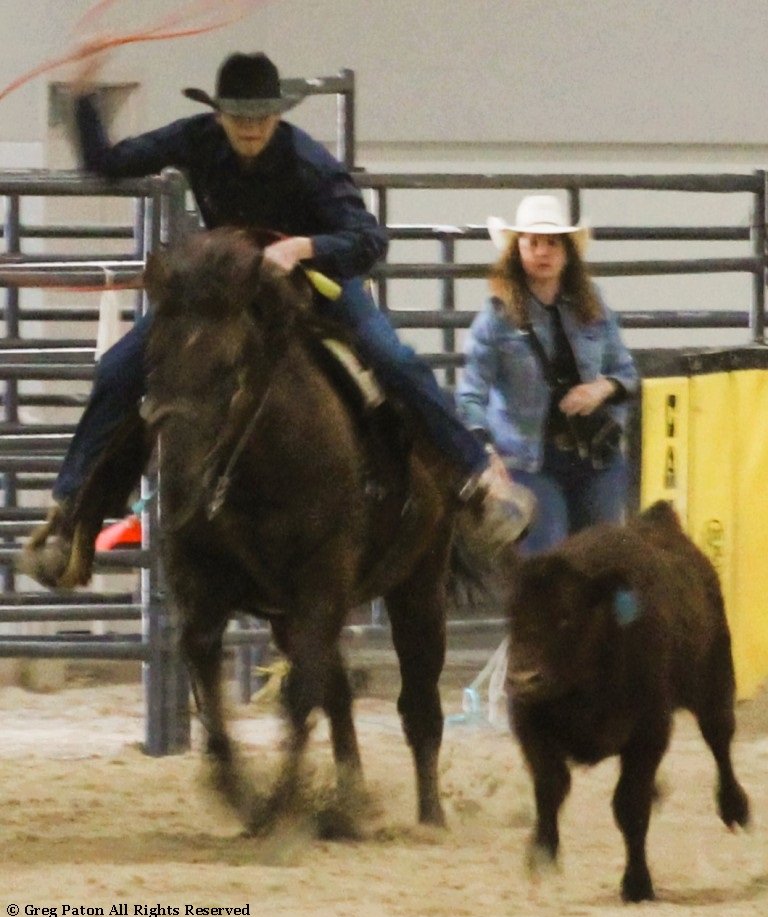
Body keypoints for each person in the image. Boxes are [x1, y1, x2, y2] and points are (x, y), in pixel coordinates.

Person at [20, 50, 533, 588]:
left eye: (260, 117)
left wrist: (304, 248)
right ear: (219, 114)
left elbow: (368, 240)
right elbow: (108, 161)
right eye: (239, 117)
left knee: (393, 358)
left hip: (313, 282)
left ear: (277, 115)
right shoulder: (196, 138)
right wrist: (83, 102)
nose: (250, 128)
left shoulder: (308, 162)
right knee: (121, 368)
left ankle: (478, 483)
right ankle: (69, 511)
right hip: (229, 288)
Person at [456, 194, 639, 554]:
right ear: (518, 251)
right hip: (528, 461)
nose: (542, 252)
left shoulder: (593, 304)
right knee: (549, 556)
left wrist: (601, 389)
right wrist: (485, 451)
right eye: (533, 243)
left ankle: (621, 612)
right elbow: (471, 394)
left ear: (567, 252)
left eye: (552, 243)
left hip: (595, 456)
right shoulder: (497, 316)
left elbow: (626, 372)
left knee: (606, 559)